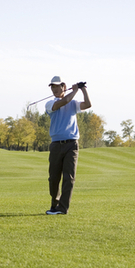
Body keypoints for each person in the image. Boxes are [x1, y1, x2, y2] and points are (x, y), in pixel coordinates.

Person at [45, 76, 91, 215]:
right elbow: (64, 101)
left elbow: (88, 105)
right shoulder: (50, 103)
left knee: (69, 178)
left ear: (63, 87)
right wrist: (75, 91)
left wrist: (83, 90)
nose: (54, 89)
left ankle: (62, 208)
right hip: (56, 145)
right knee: (54, 178)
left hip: (71, 144)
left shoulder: (73, 103)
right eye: (52, 87)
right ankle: (55, 202)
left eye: (57, 86)